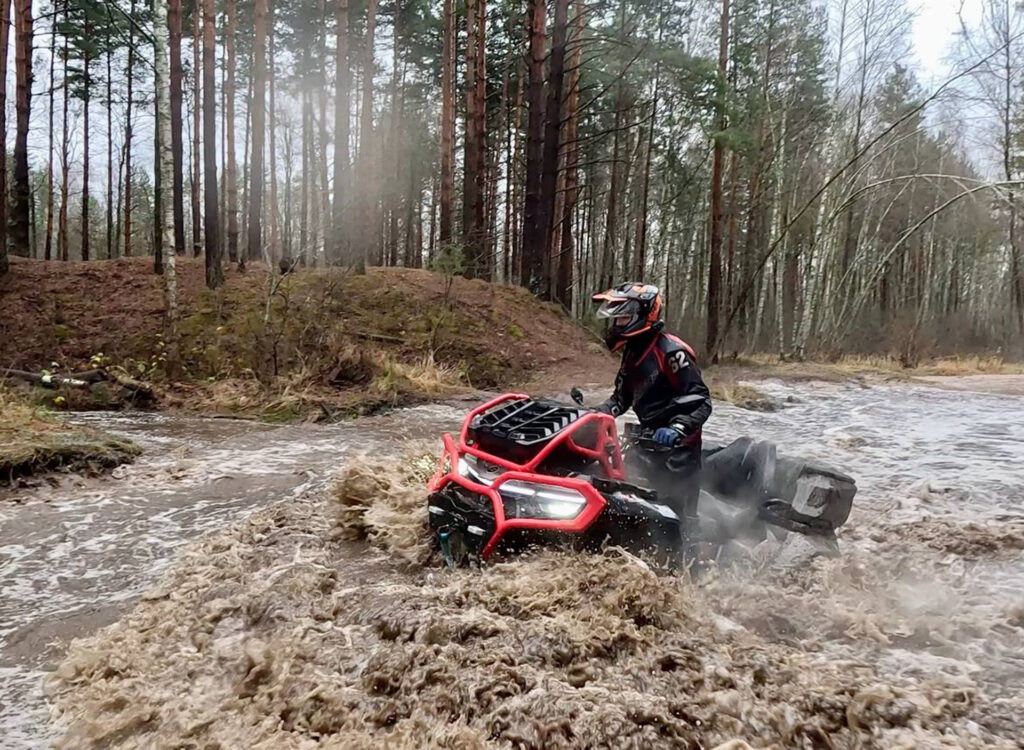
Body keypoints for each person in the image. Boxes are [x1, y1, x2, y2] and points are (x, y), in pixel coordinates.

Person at [592, 282, 712, 564]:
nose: (617, 324)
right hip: (645, 441)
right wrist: (597, 414)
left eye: (623, 318)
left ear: (643, 314)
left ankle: (692, 568)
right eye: (617, 319)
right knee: (627, 495)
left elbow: (701, 400)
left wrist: (678, 428)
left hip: (679, 451)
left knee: (679, 517)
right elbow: (621, 397)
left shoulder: (672, 352)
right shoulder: (632, 351)